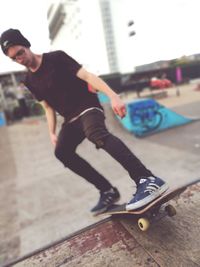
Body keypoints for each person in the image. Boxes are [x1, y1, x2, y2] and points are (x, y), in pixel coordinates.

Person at [0, 29, 168, 215]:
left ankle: (146, 179)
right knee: (62, 152)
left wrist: (112, 96)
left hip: (88, 107)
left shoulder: (57, 58)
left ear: (26, 45)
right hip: (70, 119)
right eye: (14, 59)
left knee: (95, 134)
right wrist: (52, 133)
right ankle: (107, 191)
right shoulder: (29, 80)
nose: (19, 59)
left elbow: (87, 76)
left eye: (20, 53)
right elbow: (47, 108)